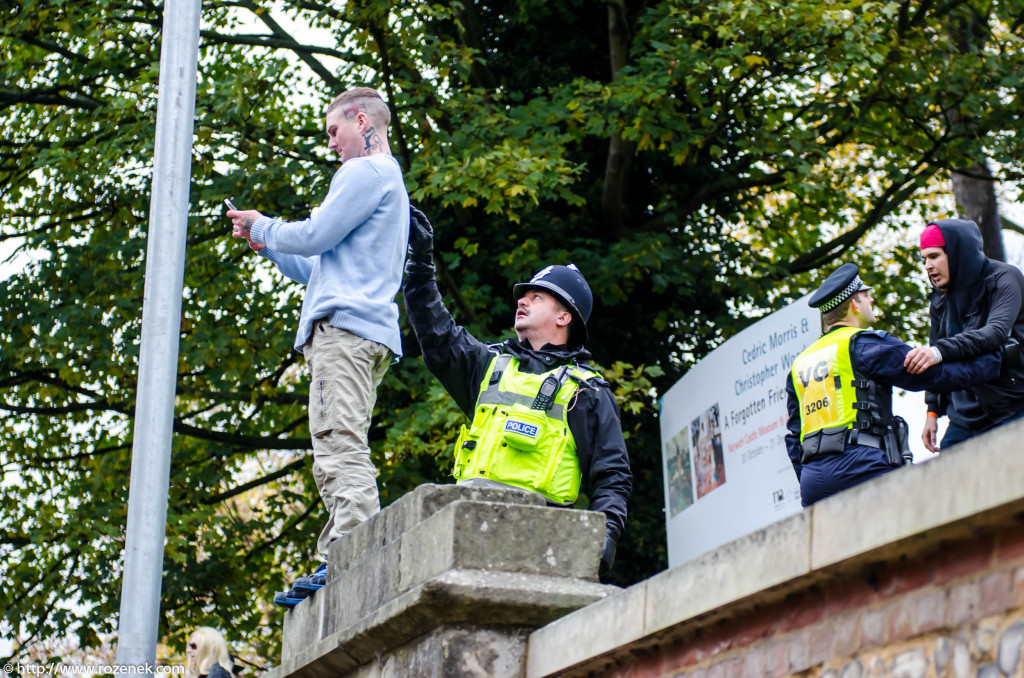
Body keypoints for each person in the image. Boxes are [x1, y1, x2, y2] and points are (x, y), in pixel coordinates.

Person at [228, 87, 409, 607]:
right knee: (336, 444)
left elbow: (314, 234)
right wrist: (265, 243)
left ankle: (351, 555)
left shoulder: (364, 172)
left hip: (345, 336)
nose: (330, 143)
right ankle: (341, 552)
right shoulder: (388, 185)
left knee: (340, 444)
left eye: (334, 131)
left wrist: (266, 225)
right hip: (362, 334)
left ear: (361, 119)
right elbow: (316, 265)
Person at [402, 207, 632, 575]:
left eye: (537, 297)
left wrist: (605, 537)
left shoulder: (586, 391)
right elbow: (436, 332)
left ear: (564, 317)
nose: (522, 300)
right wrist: (420, 265)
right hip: (467, 531)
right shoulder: (488, 366)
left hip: (542, 542)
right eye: (523, 295)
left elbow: (612, 474)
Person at [785, 263, 1001, 506]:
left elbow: (794, 436)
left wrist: (809, 479)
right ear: (855, 304)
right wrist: (994, 361)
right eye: (866, 296)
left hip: (814, 482)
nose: (871, 300)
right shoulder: (866, 344)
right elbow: (933, 375)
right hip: (863, 468)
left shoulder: (800, 364)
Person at [905, 219, 1024, 451]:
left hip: (1011, 408)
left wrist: (938, 352)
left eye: (934, 256)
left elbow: (994, 333)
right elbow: (934, 348)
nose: (928, 266)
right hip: (963, 419)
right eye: (924, 259)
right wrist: (932, 410)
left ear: (958, 251)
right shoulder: (940, 299)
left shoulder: (1005, 279)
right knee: (946, 483)